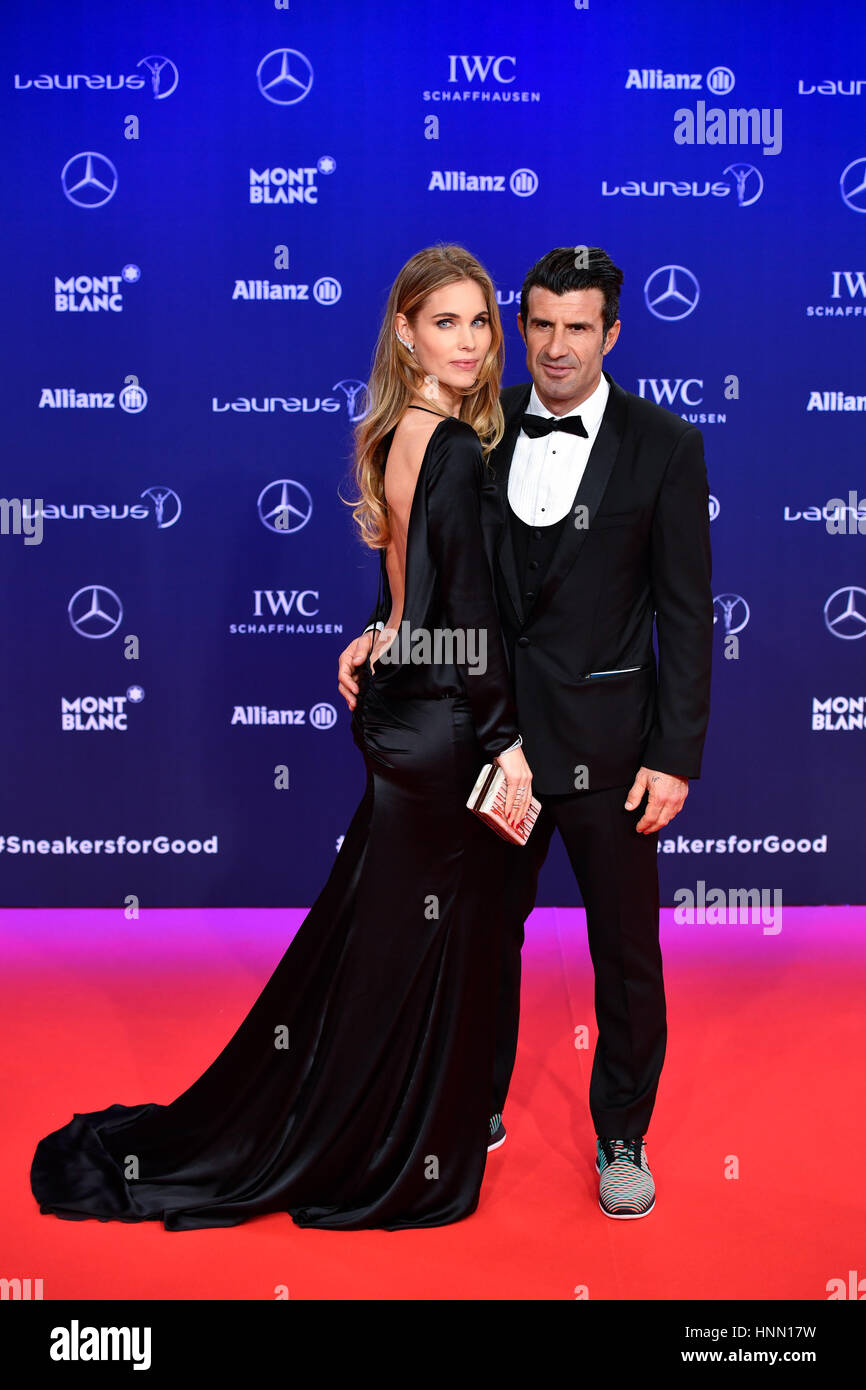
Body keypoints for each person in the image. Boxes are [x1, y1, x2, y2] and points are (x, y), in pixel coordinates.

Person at [30, 244, 533, 1232]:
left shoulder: (398, 432)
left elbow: (408, 593)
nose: (470, 341)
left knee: (379, 940)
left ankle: (359, 1123)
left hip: (401, 709)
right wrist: (505, 738)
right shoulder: (453, 447)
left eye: (480, 321)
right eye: (445, 322)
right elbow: (466, 609)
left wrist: (381, 634)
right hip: (441, 726)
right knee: (414, 946)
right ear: (404, 332)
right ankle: (367, 1144)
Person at [339, 246, 713, 1219]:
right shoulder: (480, 424)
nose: (554, 345)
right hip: (489, 746)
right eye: (539, 323)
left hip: (611, 749)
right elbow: (431, 562)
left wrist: (673, 755)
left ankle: (621, 1134)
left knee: (623, 951)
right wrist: (382, 627)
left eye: (577, 327)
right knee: (479, 935)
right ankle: (477, 1102)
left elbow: (686, 612)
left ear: (611, 333)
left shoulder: (664, 444)